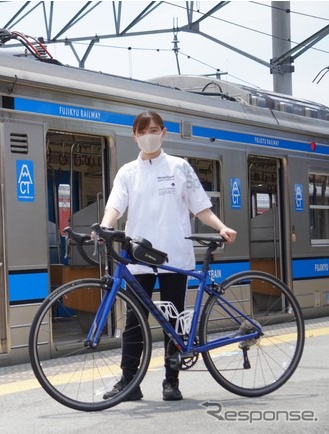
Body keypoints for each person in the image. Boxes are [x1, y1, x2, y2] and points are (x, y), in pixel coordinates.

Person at [99, 111, 237, 401]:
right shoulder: (127, 172)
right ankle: (129, 382)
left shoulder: (179, 167)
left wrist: (222, 226)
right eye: (142, 131)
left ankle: (171, 382)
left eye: (153, 129)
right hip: (138, 258)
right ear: (134, 136)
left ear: (163, 132)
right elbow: (116, 205)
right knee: (135, 323)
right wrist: (104, 227)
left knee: (174, 323)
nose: (148, 135)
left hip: (174, 256)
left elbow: (200, 207)